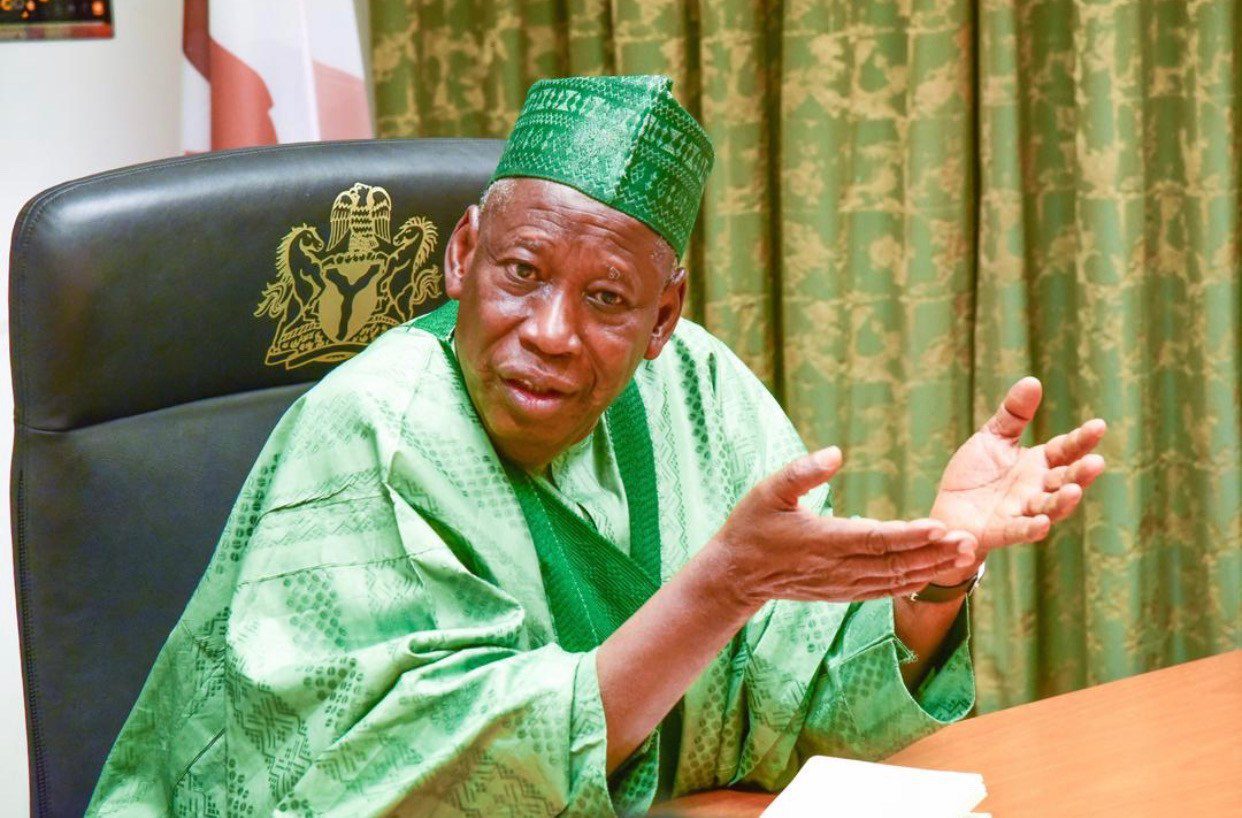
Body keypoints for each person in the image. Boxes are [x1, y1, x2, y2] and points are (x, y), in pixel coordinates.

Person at [86, 75, 1106, 817]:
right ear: (464, 253)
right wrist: (720, 589)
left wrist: (932, 574)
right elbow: (396, 778)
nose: (551, 332)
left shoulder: (698, 390)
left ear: (663, 317)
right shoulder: (371, 432)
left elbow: (799, 695)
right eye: (523, 272)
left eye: (609, 298)